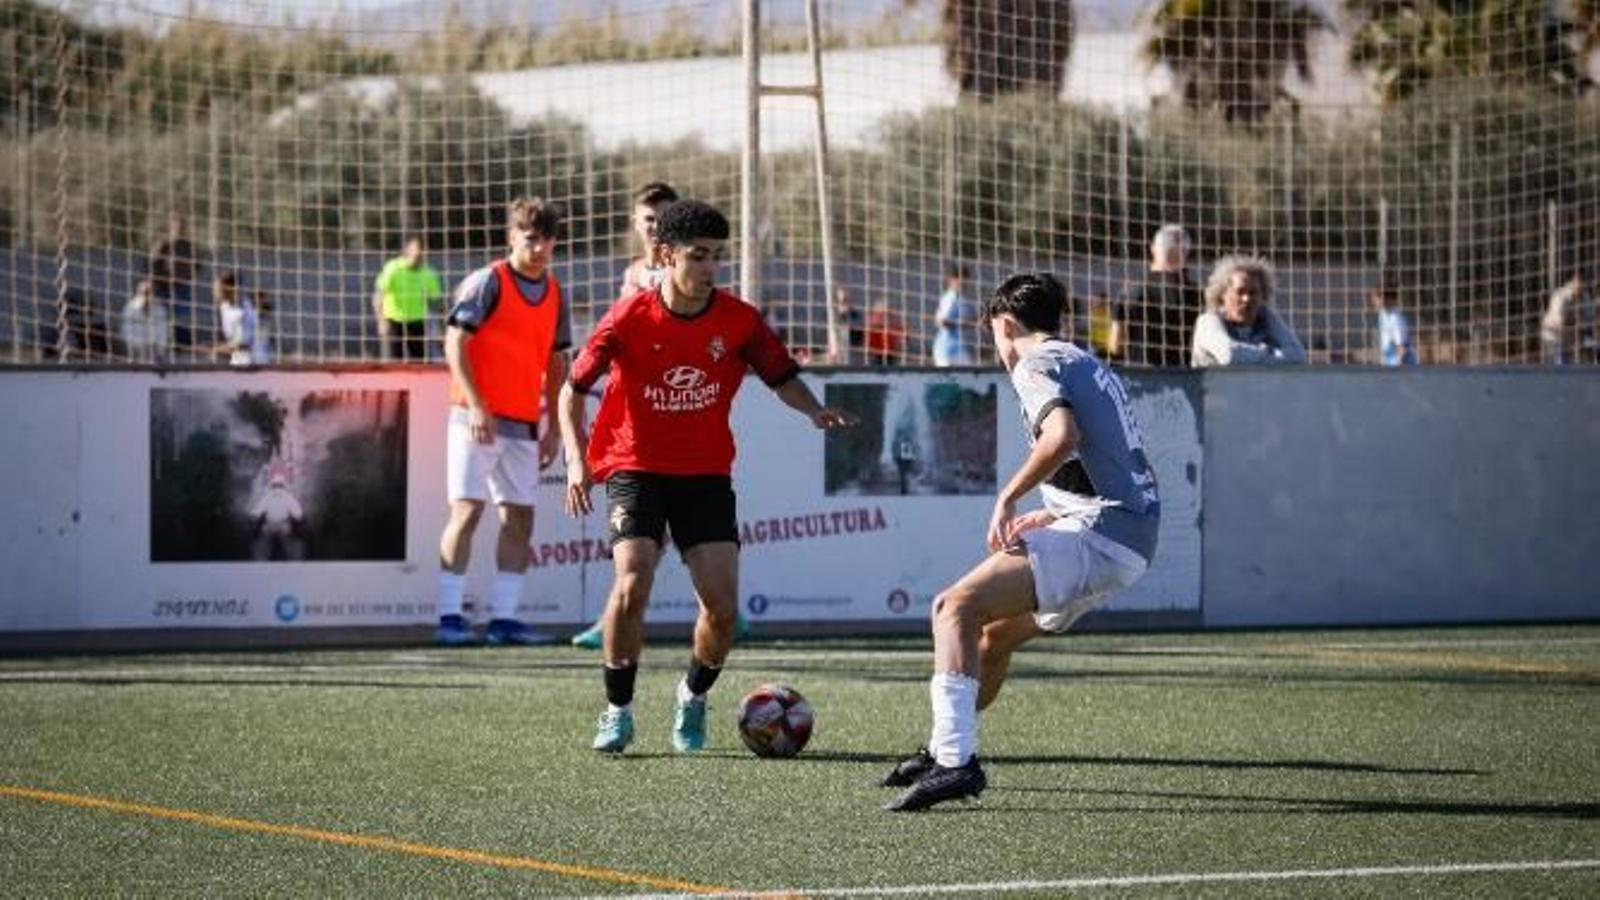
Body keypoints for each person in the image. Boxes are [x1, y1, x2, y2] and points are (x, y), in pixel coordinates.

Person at [558, 199, 854, 754]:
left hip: (705, 473)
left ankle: (692, 697)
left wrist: (814, 410)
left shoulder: (739, 320)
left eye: (717, 256)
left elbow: (781, 376)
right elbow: (571, 390)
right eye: (698, 255)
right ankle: (618, 711)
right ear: (665, 255)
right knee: (632, 581)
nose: (710, 267)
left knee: (722, 611)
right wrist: (576, 459)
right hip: (634, 464)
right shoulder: (628, 317)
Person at [881, 272, 1160, 812]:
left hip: (1102, 536)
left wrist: (1007, 498)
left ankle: (955, 763)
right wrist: (1054, 513)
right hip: (1128, 536)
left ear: (1005, 325)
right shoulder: (1086, 362)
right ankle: (942, 749)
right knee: (991, 639)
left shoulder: (1035, 362)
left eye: (992, 334)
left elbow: (1062, 438)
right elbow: (1115, 461)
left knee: (953, 608)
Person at [436, 197, 570, 647]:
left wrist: (554, 426)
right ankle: (449, 618)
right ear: (512, 237)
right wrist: (477, 405)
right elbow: (454, 343)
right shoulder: (487, 281)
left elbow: (556, 362)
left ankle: (504, 621)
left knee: (520, 518)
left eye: (547, 240)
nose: (540, 248)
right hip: (474, 420)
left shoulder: (555, 292)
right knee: (467, 511)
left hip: (525, 425)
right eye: (531, 238)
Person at [570, 181, 681, 651]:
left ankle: (725, 609)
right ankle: (612, 617)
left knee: (678, 525)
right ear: (635, 223)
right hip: (636, 418)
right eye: (648, 219)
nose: (655, 227)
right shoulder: (632, 274)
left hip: (679, 415)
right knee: (643, 531)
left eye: (664, 218)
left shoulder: (688, 271)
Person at [1190, 255, 1306, 367]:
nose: (1246, 299)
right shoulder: (1207, 322)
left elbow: (1298, 355)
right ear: (1222, 294)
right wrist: (1269, 352)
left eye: (1253, 293)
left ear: (1263, 296)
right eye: (1240, 292)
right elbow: (1230, 355)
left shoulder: (1266, 318)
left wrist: (1267, 314)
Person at [1120, 225, 1198, 367]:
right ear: (1185, 252)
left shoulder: (1130, 290)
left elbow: (1116, 344)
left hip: (1138, 373)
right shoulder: (1195, 293)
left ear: (1153, 248)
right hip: (1182, 374)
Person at [373, 236, 445, 362]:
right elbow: (378, 296)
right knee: (394, 362)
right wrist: (381, 321)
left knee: (420, 362)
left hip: (417, 322)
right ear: (407, 250)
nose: (419, 252)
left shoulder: (429, 273)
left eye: (423, 249)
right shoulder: (393, 268)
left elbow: (437, 303)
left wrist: (441, 328)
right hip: (394, 321)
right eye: (417, 248)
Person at [148, 214, 203, 361]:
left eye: (181, 227)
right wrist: (161, 279)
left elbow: (198, 264)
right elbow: (153, 262)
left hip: (183, 286)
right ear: (170, 227)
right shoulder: (163, 243)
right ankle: (168, 345)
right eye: (176, 226)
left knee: (183, 316)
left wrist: (189, 273)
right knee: (166, 316)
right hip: (166, 287)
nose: (179, 229)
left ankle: (183, 344)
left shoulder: (187, 245)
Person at [1541, 271, 1592, 366]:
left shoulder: (1585, 297)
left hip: (1570, 339)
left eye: (1585, 283)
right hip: (1553, 337)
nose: (1582, 286)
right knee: (1558, 364)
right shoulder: (1560, 296)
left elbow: (1589, 318)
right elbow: (1559, 323)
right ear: (1573, 281)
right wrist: (1576, 325)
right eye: (1579, 282)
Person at [933, 265, 979, 366]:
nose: (963, 283)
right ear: (951, 280)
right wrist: (964, 323)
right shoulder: (950, 298)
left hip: (959, 347)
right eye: (959, 279)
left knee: (970, 371)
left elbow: (973, 318)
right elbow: (942, 321)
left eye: (965, 279)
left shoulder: (962, 299)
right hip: (946, 347)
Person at [212, 271, 259, 367]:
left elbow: (245, 344)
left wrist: (217, 349)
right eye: (214, 289)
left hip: (251, 363)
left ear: (230, 289)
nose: (215, 293)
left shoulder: (245, 310)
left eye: (218, 289)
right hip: (236, 360)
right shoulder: (224, 306)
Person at [120, 278, 171, 364]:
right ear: (138, 293)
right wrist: (138, 346)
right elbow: (126, 331)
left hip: (154, 348)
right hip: (135, 348)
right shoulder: (130, 308)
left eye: (148, 293)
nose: (146, 296)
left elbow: (163, 331)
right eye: (143, 293)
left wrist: (160, 349)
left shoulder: (159, 309)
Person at [1369, 281, 1416, 366]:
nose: (1373, 301)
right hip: (1389, 363)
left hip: (1402, 366)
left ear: (1386, 298)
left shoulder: (1396, 318)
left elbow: (1402, 348)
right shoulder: (1383, 314)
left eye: (1376, 297)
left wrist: (1397, 368)